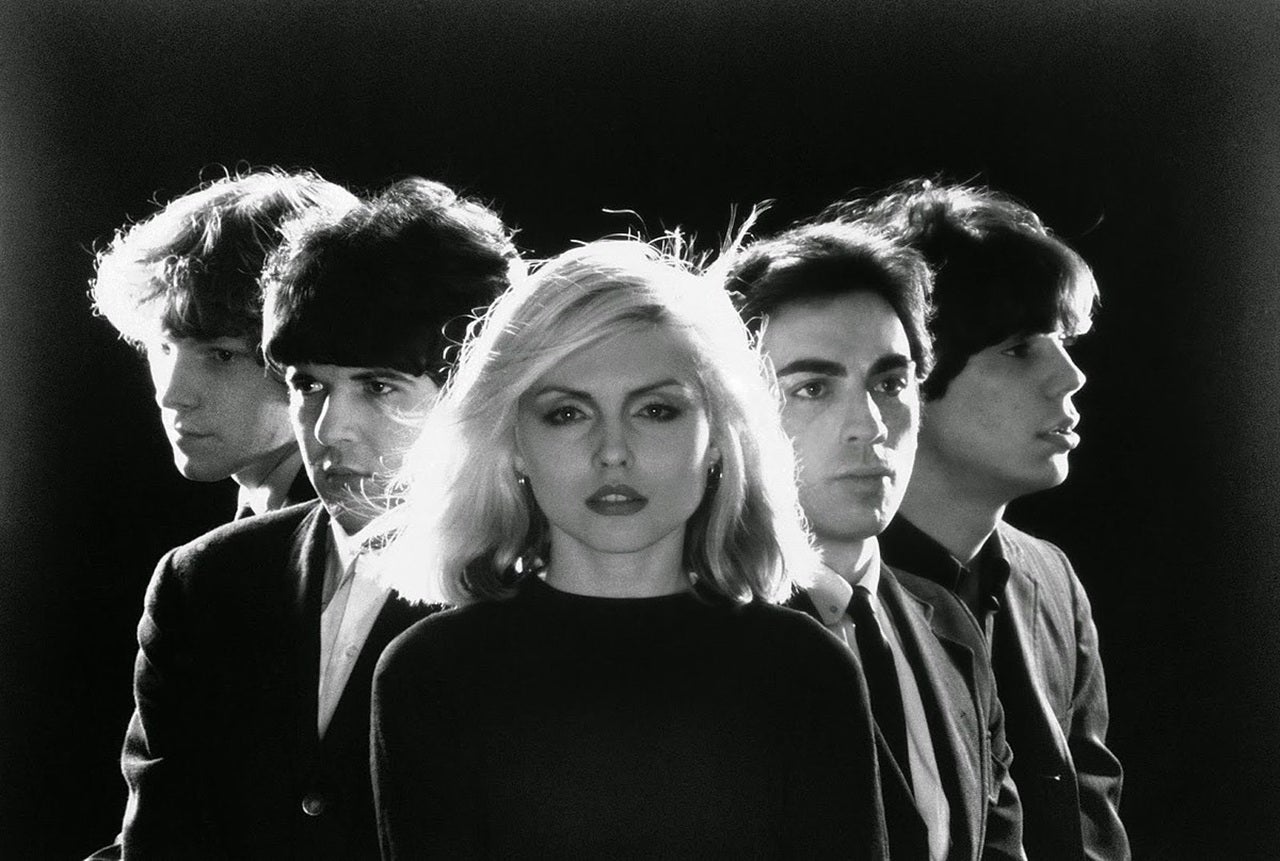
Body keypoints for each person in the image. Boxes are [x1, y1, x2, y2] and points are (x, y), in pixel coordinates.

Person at [370, 239, 888, 859]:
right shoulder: (430, 673)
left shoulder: (806, 671)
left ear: (719, 438)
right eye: (567, 414)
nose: (612, 451)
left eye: (656, 410)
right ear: (512, 444)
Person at [92, 177, 520, 861]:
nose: (329, 429)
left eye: (378, 386)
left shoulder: (532, 583)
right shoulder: (202, 580)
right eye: (308, 384)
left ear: (471, 396)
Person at [840, 180, 1129, 860]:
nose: (1071, 376)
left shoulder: (1050, 578)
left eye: (1062, 341)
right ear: (910, 375)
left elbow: (1092, 831)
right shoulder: (832, 594)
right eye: (1019, 348)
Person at [726, 219, 1025, 860]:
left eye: (891, 383)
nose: (869, 425)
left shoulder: (950, 625)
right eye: (811, 389)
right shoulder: (708, 639)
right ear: (734, 416)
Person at [90, 168, 359, 519]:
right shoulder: (262, 522)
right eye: (163, 348)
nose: (171, 396)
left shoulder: (343, 535)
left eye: (222, 355)